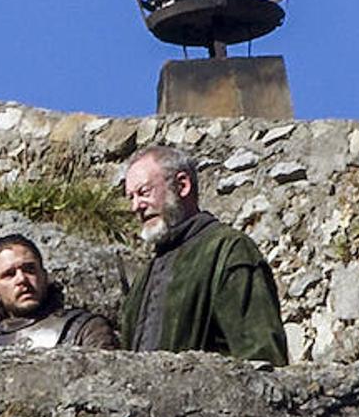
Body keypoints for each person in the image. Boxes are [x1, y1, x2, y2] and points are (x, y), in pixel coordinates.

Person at [120, 145, 289, 365]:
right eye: (130, 197)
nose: (135, 206)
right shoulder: (146, 275)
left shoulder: (229, 251)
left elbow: (263, 360)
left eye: (144, 192)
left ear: (182, 185)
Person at [0, 234, 119, 350]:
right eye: (9, 274)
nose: (21, 279)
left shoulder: (85, 328)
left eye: (29, 269)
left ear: (44, 276)